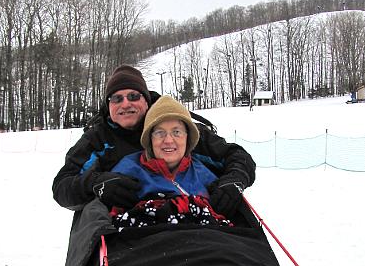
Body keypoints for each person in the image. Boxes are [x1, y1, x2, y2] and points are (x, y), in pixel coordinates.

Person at [52, 65, 256, 218]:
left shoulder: (173, 125)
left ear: (146, 100)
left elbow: (236, 156)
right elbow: (62, 186)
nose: (126, 104)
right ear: (108, 105)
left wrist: (234, 180)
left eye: (133, 96)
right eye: (117, 99)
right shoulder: (98, 139)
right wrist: (97, 184)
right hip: (131, 227)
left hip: (191, 214)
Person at [109, 95, 233, 229]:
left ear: (187, 138)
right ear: (150, 140)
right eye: (159, 133)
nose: (168, 140)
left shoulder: (203, 173)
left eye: (177, 132)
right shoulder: (128, 169)